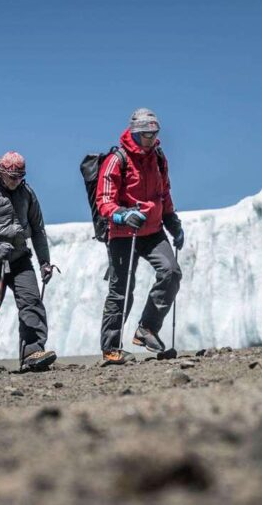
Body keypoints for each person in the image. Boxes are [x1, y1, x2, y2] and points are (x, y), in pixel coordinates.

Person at [96, 108, 184, 364]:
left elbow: (164, 193)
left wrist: (173, 223)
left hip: (153, 230)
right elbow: (104, 200)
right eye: (146, 134)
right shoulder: (117, 160)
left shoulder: (158, 157)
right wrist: (122, 214)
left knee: (171, 272)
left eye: (154, 133)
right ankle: (111, 348)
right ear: (135, 132)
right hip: (124, 233)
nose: (151, 138)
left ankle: (147, 328)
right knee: (121, 290)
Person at [0, 152, 57, 376]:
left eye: (20, 176)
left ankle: (32, 355)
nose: (16, 181)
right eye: (12, 177)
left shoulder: (27, 193)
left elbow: (37, 229)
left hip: (19, 258)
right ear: (1, 172)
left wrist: (45, 262)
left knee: (31, 302)